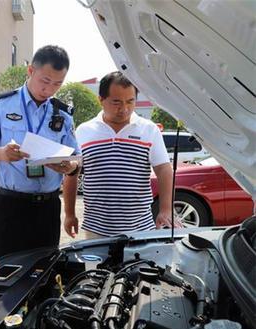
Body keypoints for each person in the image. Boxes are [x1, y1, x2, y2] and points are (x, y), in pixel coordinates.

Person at [0, 45, 80, 258]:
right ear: (30, 71)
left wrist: (69, 166)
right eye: (45, 81)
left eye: (57, 84)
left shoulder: (63, 114)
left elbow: (76, 160)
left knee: (45, 273)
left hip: (47, 208)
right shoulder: (2, 105)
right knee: (3, 273)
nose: (49, 89)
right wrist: (1, 154)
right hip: (10, 206)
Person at [63, 71, 181, 239]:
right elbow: (71, 174)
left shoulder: (148, 129)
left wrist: (166, 209)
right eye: (116, 102)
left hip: (141, 228)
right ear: (101, 100)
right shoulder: (84, 131)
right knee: (98, 267)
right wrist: (69, 214)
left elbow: (164, 169)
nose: (124, 109)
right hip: (96, 229)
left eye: (130, 101)